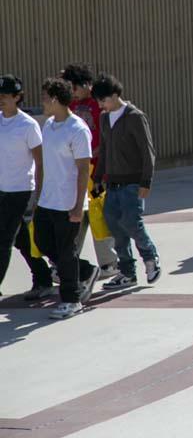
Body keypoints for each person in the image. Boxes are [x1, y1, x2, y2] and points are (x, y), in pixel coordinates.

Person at [33, 78, 99, 319]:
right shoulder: (49, 125)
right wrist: (38, 194)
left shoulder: (78, 129)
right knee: (42, 243)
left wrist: (77, 205)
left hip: (68, 202)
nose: (41, 102)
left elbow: (83, 169)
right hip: (47, 200)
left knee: (65, 251)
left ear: (54, 99)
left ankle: (72, 301)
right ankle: (86, 270)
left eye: (44, 98)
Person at [93, 73, 161, 290]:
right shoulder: (105, 118)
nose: (100, 105)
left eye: (103, 100)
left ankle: (151, 259)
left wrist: (146, 182)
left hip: (132, 183)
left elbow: (147, 151)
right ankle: (127, 272)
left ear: (115, 95)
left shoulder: (134, 116)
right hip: (112, 184)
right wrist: (97, 178)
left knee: (133, 223)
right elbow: (104, 150)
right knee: (115, 226)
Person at [59, 63, 118, 277]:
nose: (71, 93)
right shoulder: (71, 106)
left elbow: (107, 136)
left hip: (98, 171)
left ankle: (109, 262)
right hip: (77, 171)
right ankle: (68, 260)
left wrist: (98, 158)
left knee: (99, 216)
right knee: (77, 215)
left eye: (72, 87)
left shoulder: (98, 103)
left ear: (84, 84)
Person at [0, 75, 53, 301]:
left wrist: (40, 193)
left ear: (17, 97)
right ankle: (43, 278)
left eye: (5, 96)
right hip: (1, 190)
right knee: (22, 240)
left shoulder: (28, 125)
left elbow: (40, 162)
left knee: (3, 241)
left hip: (20, 191)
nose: (0, 99)